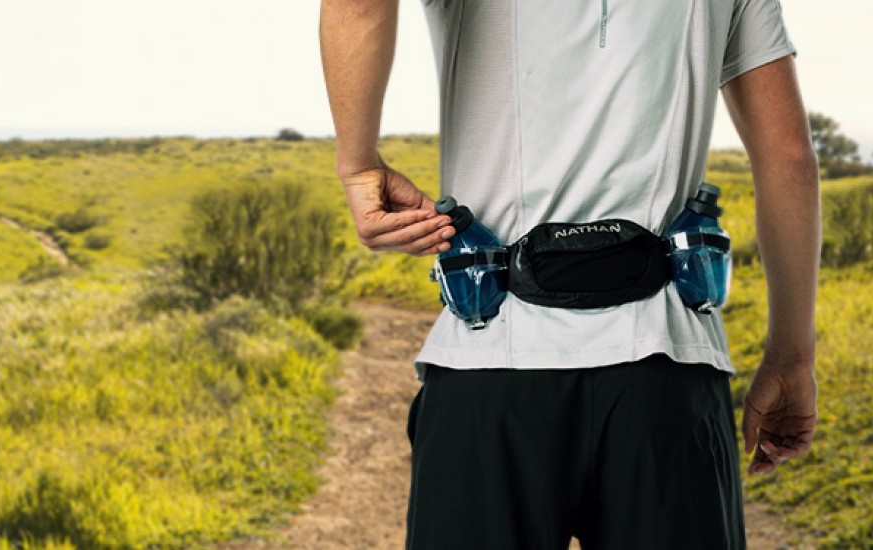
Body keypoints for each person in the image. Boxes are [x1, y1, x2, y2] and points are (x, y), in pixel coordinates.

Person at [319, 0, 819, 548]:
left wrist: (358, 164)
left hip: (492, 369)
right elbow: (789, 154)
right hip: (666, 374)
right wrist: (791, 357)